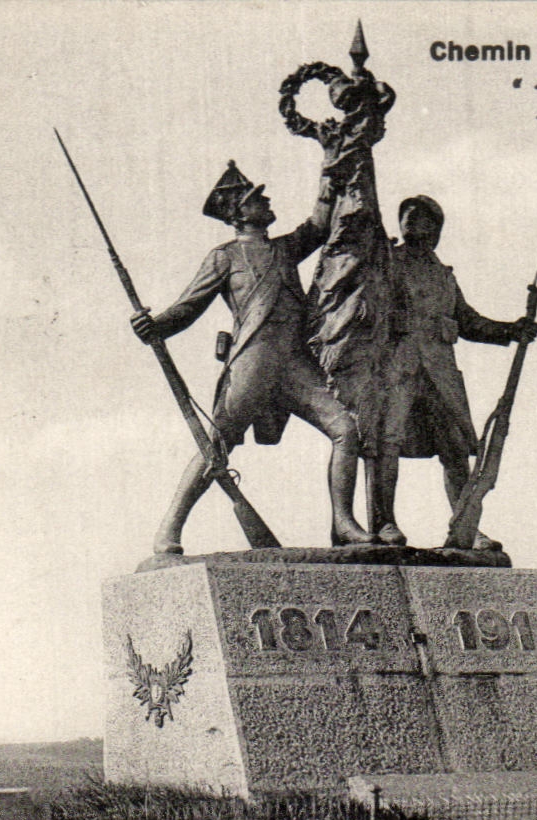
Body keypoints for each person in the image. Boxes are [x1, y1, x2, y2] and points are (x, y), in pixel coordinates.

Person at [130, 160, 376, 554]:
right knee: (217, 445)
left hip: (295, 363)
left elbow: (318, 225)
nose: (267, 200)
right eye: (257, 199)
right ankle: (169, 530)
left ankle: (343, 524)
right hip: (252, 362)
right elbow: (189, 305)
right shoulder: (224, 257)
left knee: (346, 429)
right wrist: (155, 325)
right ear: (240, 212)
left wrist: (329, 178)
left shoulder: (284, 249)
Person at [371, 195, 537, 549]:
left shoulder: (444, 275)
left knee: (455, 448)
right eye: (406, 214)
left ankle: (466, 527)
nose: (410, 219)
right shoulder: (384, 261)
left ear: (435, 229)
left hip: (439, 371)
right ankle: (383, 523)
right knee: (385, 443)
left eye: (420, 216)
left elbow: (468, 321)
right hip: (397, 367)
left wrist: (511, 329)